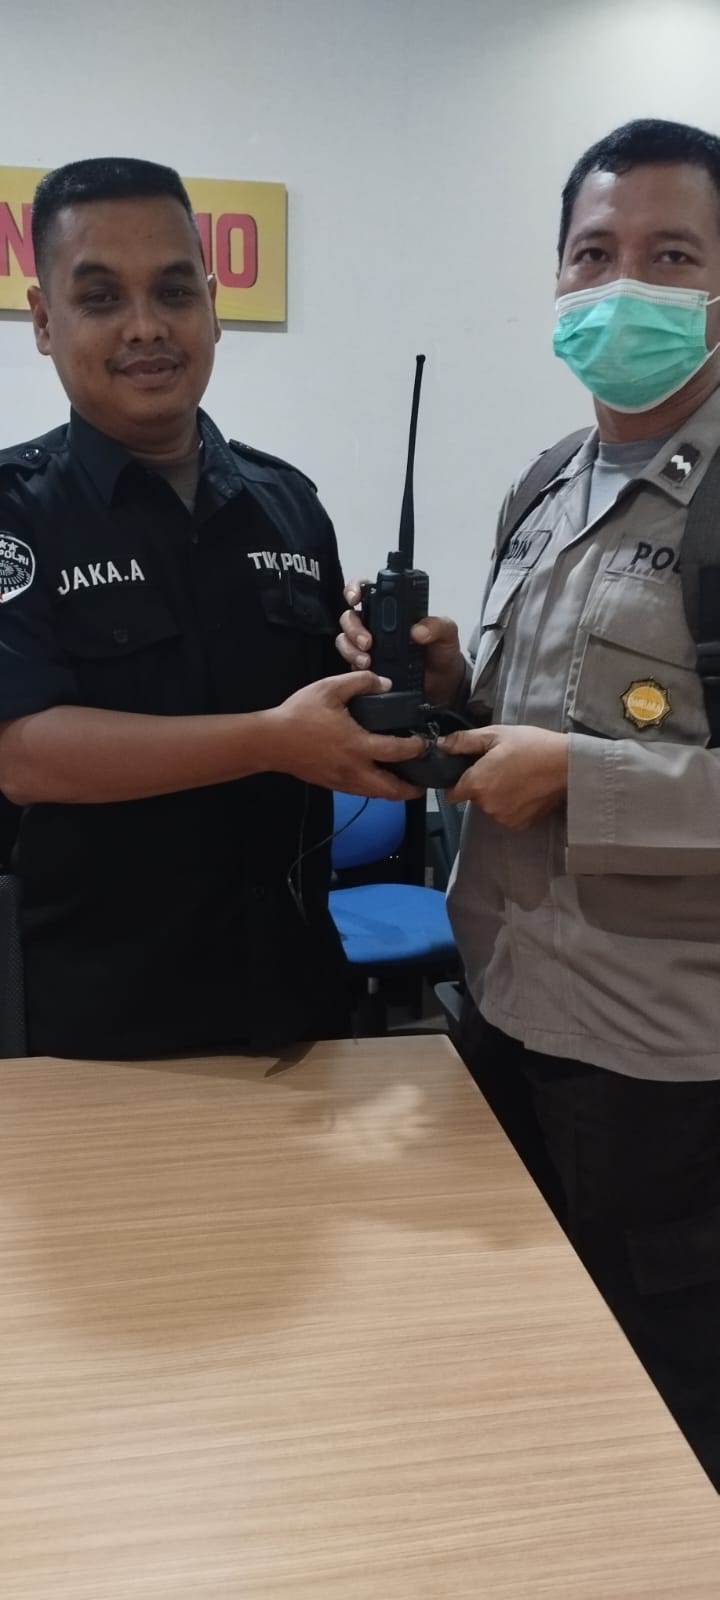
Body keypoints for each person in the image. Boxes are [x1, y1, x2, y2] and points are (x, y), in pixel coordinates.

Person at [339, 118, 720, 1488]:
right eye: (592, 255)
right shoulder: (546, 486)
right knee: (531, 1382)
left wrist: (582, 777)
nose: (622, 287)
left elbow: (579, 757)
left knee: (668, 1411)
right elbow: (538, 708)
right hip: (505, 1008)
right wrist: (453, 684)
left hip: (664, 1066)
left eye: (671, 256)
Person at [0, 156, 422, 1060]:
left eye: (174, 291)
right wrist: (270, 740)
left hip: (298, 999)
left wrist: (416, 674)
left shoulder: (288, 503)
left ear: (214, 306)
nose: (147, 327)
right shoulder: (14, 512)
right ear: (43, 320)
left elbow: (339, 715)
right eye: (101, 297)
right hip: (96, 1021)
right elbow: (22, 753)